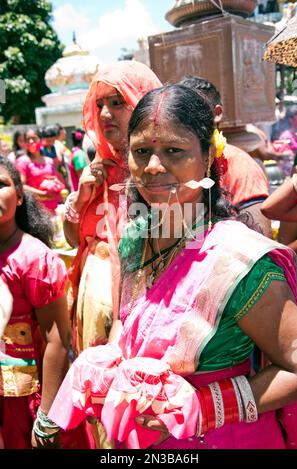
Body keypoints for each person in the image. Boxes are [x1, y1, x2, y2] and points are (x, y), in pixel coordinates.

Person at [49, 85, 297, 449]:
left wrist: (203, 407)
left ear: (207, 159)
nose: (153, 167)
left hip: (221, 438)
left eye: (173, 151)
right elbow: (128, 317)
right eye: (141, 152)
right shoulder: (137, 235)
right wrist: (114, 363)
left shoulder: (239, 260)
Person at [62, 60, 162, 448]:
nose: (105, 114)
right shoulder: (98, 167)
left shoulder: (161, 169)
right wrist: (83, 196)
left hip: (138, 310)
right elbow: (74, 239)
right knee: (98, 408)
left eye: (117, 102)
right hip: (91, 313)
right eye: (100, 103)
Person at [0, 156, 92, 449]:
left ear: (19, 194)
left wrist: (47, 417)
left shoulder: (35, 259)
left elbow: (58, 341)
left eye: (0, 185)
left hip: (30, 399)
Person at [178, 76, 272, 237]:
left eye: (195, 110)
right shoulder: (173, 163)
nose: (187, 119)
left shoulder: (239, 164)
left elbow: (261, 240)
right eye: (180, 112)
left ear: (217, 114)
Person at [15, 129, 65, 213]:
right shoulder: (22, 161)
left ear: (41, 140)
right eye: (27, 139)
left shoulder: (49, 160)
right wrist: (42, 194)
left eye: (34, 138)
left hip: (53, 206)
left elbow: (55, 179)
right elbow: (20, 186)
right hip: (35, 209)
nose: (31, 141)